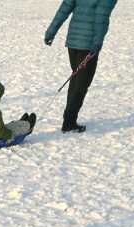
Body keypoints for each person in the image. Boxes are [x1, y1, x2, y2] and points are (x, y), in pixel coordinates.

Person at [45, 0, 118, 133]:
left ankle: (69, 119)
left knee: (76, 80)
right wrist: (97, 43)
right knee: (81, 84)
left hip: (73, 42)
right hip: (88, 44)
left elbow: (64, 9)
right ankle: (69, 123)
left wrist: (51, 31)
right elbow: (101, 18)